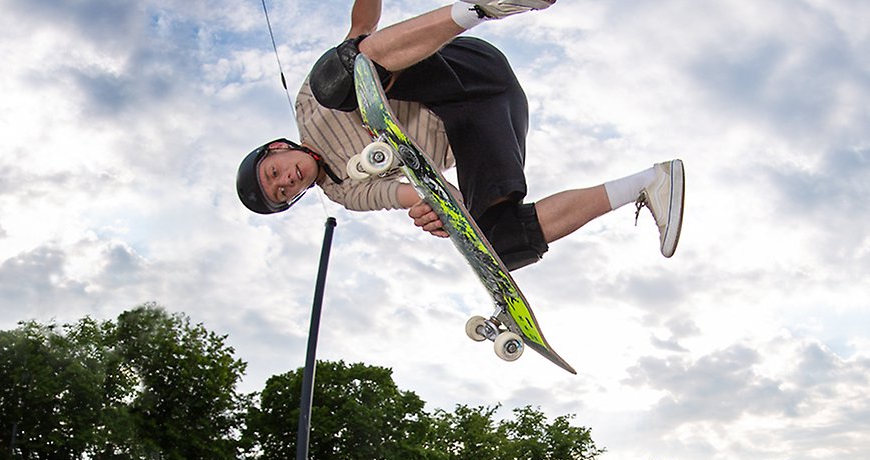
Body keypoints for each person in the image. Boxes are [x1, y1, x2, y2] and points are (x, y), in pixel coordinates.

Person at [237, 0, 685, 271]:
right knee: (495, 244)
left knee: (337, 80)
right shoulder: (343, 192)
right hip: (486, 118)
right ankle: (649, 182)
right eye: (282, 193)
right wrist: (442, 209)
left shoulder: (306, 106)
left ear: (277, 148)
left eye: (274, 172)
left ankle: (481, 6)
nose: (286, 181)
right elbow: (404, 195)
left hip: (461, 71)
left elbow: (360, 33)